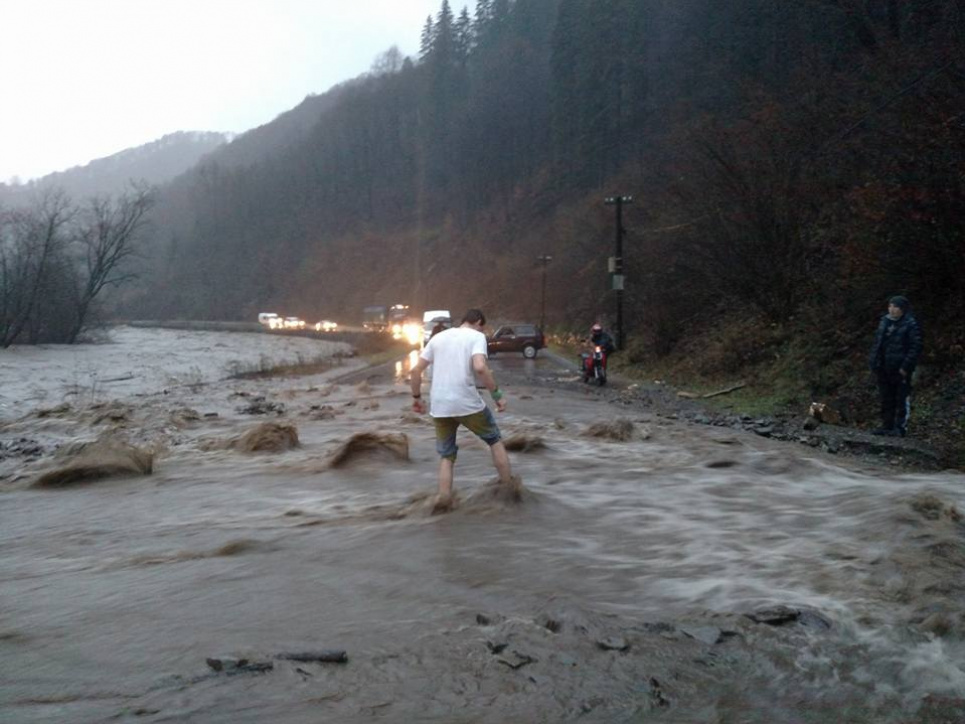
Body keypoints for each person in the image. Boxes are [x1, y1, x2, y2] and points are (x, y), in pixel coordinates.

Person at [410, 308, 516, 511]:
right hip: (467, 403)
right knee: (494, 440)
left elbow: (415, 371)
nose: (481, 330)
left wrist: (417, 398)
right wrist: (497, 396)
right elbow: (480, 367)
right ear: (477, 322)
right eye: (481, 327)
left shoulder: (438, 338)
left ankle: (444, 502)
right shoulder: (476, 337)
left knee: (446, 456)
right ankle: (509, 490)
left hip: (440, 405)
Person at [868, 295, 923, 437]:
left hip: (900, 368)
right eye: (890, 306)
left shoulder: (910, 324)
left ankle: (900, 428)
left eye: (895, 307)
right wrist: (874, 362)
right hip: (884, 366)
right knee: (886, 397)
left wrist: (905, 366)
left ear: (902, 309)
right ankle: (887, 425)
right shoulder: (884, 322)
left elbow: (915, 347)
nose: (892, 310)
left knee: (901, 398)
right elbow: (877, 343)